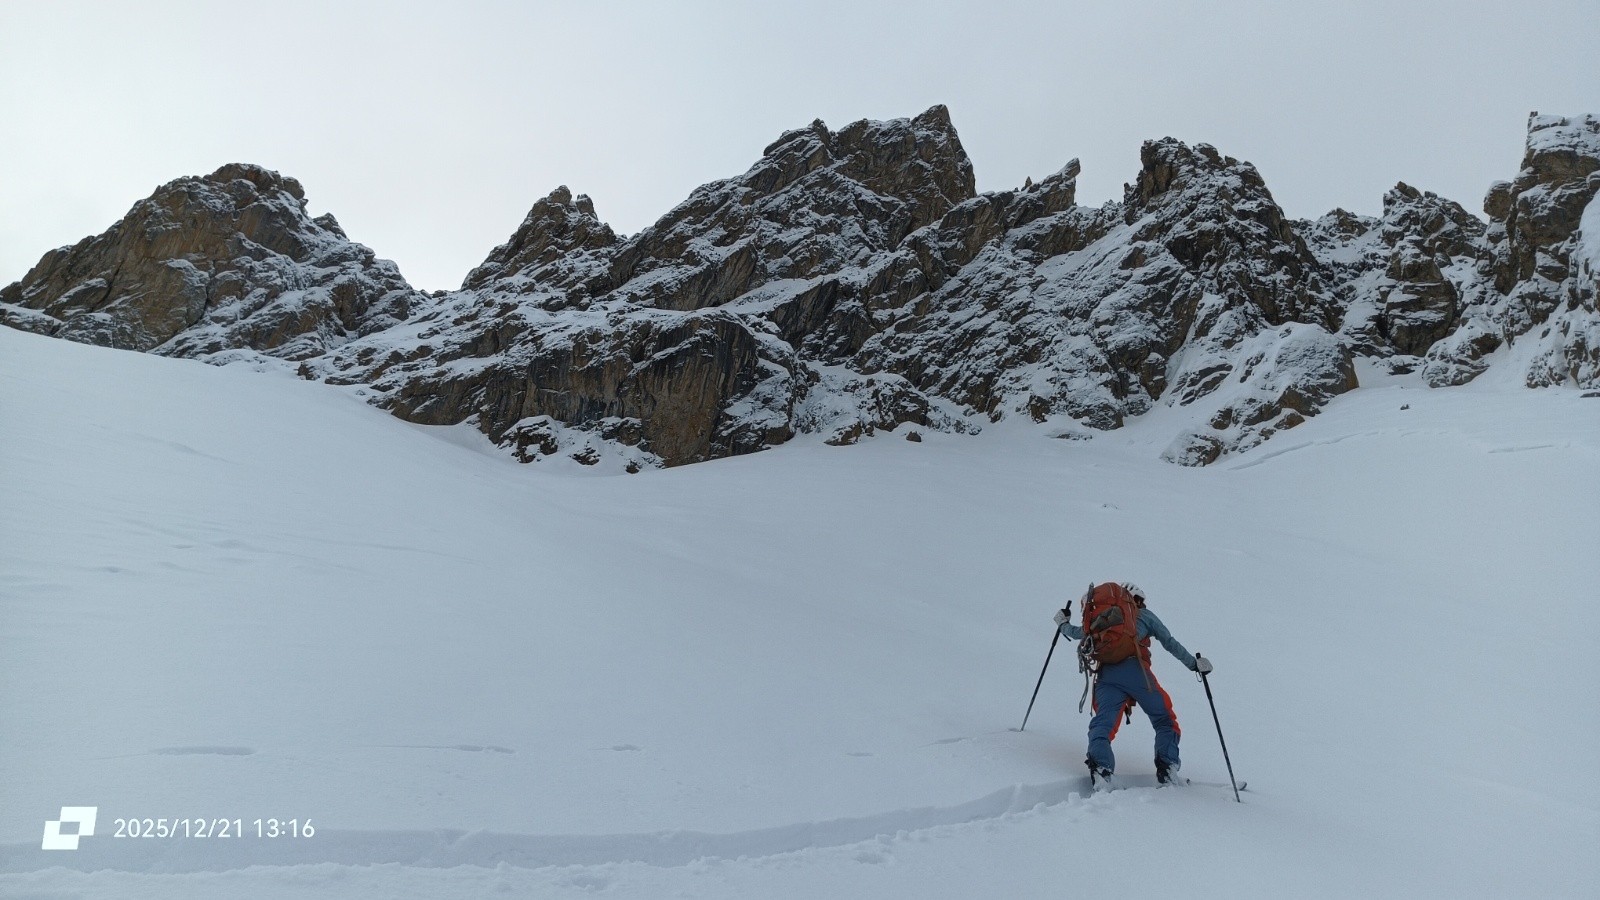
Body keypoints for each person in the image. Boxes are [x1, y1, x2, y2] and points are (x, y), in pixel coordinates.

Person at [1053, 582, 1212, 788]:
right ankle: (1167, 770)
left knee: (1103, 724)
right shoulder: (1144, 615)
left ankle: (1102, 770)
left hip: (1106, 674)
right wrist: (1194, 664)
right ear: (1137, 599)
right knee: (1164, 720)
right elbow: (1169, 642)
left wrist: (1062, 624)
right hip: (1135, 673)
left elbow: (1079, 633)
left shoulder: (1104, 620)